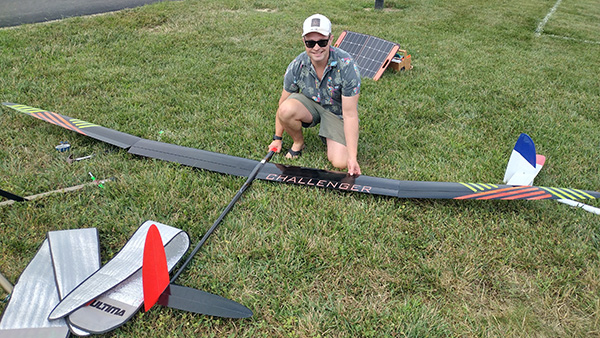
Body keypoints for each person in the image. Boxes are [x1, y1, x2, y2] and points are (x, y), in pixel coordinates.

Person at [268, 14, 362, 176]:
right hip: (309, 104)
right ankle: (298, 143)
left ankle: (331, 136)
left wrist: (352, 158)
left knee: (340, 162)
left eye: (322, 42)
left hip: (336, 112)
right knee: (286, 109)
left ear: (331, 39)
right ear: (303, 41)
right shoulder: (297, 65)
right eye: (310, 42)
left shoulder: (346, 65)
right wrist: (277, 138)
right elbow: (282, 103)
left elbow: (350, 114)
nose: (316, 47)